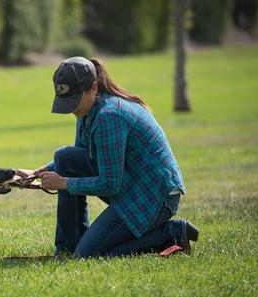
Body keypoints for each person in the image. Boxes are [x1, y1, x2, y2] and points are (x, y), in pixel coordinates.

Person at [16, 57, 198, 258]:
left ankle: (172, 233)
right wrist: (37, 172)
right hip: (132, 187)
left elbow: (110, 184)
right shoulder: (86, 111)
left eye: (74, 100)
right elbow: (77, 161)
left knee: (88, 256)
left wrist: (64, 183)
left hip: (154, 197)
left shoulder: (109, 116)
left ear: (93, 87)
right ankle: (67, 248)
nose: (72, 108)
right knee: (64, 158)